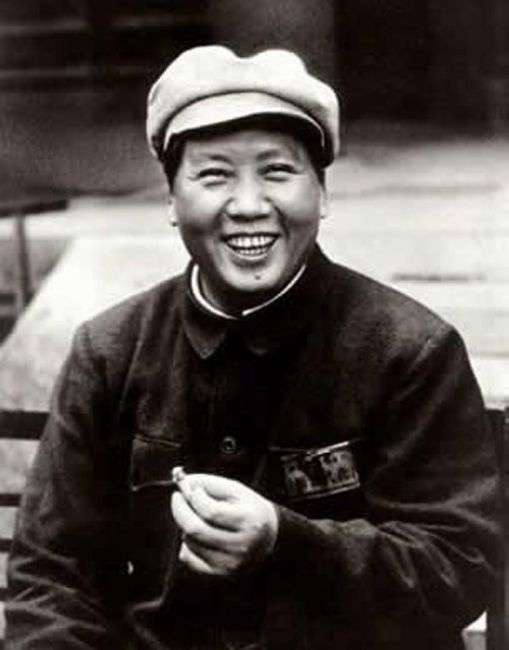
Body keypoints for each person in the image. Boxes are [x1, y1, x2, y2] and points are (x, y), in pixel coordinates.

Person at [6, 46, 499, 650]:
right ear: (170, 200)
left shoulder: (411, 350)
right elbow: (51, 579)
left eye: (277, 171)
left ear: (322, 194)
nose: (247, 206)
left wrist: (284, 542)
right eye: (214, 175)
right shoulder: (110, 351)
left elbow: (461, 567)